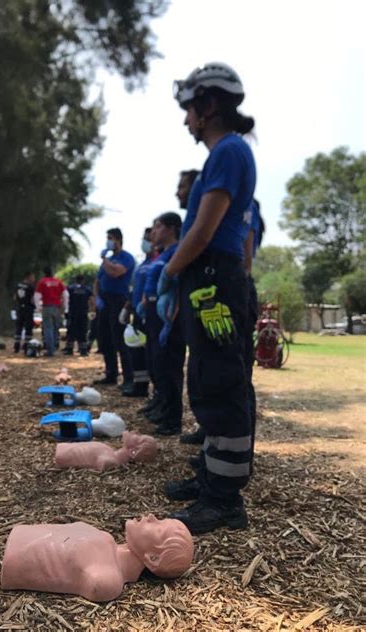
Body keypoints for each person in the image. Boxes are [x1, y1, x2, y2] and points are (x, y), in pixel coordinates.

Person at [159, 62, 257, 534]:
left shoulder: (228, 152)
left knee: (219, 379)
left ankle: (224, 500)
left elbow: (203, 231)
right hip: (210, 280)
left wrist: (169, 270)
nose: (185, 121)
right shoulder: (228, 153)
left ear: (208, 105)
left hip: (213, 280)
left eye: (189, 110)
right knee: (207, 374)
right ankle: (210, 476)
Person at [1, 515, 193, 602]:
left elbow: (97, 586)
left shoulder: (108, 578)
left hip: (13, 561)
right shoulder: (107, 544)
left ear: (152, 558)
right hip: (20, 543)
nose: (151, 516)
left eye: (159, 528)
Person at [140, 212, 185, 436]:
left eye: (157, 227)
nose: (153, 232)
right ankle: (163, 407)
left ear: (170, 228)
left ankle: (172, 419)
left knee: (170, 366)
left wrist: (171, 319)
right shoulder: (163, 254)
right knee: (158, 363)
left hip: (169, 315)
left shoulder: (178, 252)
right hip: (155, 313)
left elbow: (177, 286)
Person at [94, 228, 135, 387]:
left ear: (118, 239)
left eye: (110, 238)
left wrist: (104, 258)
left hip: (118, 300)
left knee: (119, 339)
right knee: (104, 339)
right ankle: (111, 374)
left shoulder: (126, 258)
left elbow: (115, 273)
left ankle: (128, 378)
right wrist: (97, 297)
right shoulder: (108, 259)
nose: (108, 241)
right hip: (104, 301)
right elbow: (98, 280)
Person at [119, 227, 157, 397]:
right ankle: (140, 386)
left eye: (149, 238)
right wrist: (127, 307)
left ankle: (158, 392)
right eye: (145, 238)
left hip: (152, 312)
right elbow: (134, 289)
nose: (147, 242)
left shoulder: (158, 261)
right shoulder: (141, 264)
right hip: (137, 311)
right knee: (138, 352)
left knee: (153, 354)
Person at [243, 198, 265, 473]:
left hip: (236, 290)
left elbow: (245, 255)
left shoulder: (247, 206)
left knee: (236, 378)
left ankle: (241, 456)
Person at [35, 266, 66, 357]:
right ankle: (55, 346)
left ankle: (50, 350)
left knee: (48, 328)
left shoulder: (42, 282)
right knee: (56, 327)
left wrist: (38, 307)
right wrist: (64, 306)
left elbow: (37, 295)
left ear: (44, 273)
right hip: (57, 306)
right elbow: (65, 295)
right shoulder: (58, 282)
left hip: (47, 306)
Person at [64, 274, 93, 357]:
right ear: (83, 280)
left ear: (75, 280)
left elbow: (66, 298)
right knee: (83, 330)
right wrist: (92, 310)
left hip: (72, 312)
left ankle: (69, 349)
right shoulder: (87, 288)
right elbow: (91, 300)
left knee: (71, 330)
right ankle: (83, 350)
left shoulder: (70, 288)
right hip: (83, 312)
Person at [13, 272, 35, 353]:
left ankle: (16, 346)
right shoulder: (31, 287)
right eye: (32, 277)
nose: (33, 279)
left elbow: (15, 297)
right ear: (28, 277)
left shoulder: (17, 285)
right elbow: (32, 300)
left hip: (19, 308)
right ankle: (26, 346)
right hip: (28, 309)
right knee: (28, 328)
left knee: (19, 327)